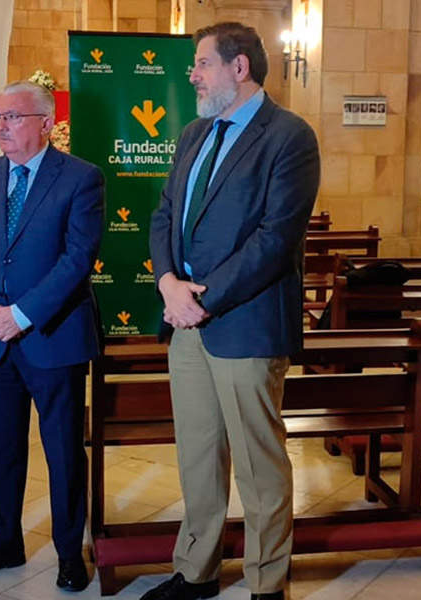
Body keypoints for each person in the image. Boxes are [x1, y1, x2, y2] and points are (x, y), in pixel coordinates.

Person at [144, 22, 320, 600]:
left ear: (238, 67)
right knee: (197, 455)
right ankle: (195, 573)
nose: (191, 74)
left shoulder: (289, 136)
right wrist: (169, 282)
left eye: (201, 63)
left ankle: (267, 583)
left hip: (244, 322)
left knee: (258, 465)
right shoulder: (194, 133)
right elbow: (166, 213)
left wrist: (204, 299)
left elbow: (274, 239)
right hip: (186, 322)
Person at [0, 80, 103, 593]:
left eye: (12, 117)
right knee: (1, 447)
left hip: (51, 337)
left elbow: (77, 258)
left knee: (61, 449)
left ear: (44, 122)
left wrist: (24, 314)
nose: (1, 126)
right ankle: (6, 541)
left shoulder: (81, 178)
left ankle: (67, 551)